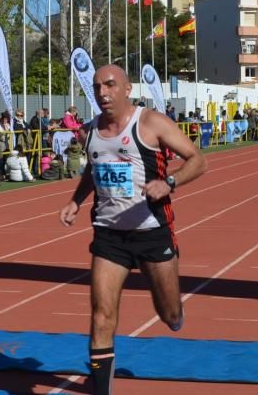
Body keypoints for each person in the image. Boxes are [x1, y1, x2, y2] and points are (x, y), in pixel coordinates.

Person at [59, 65, 207, 395]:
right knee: (101, 317)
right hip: (109, 236)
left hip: (152, 231)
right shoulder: (91, 130)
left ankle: (175, 312)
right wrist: (76, 201)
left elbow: (197, 159)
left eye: (110, 85)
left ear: (127, 88)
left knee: (168, 314)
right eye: (97, 87)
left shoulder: (151, 122)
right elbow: (95, 170)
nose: (103, 92)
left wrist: (169, 182)